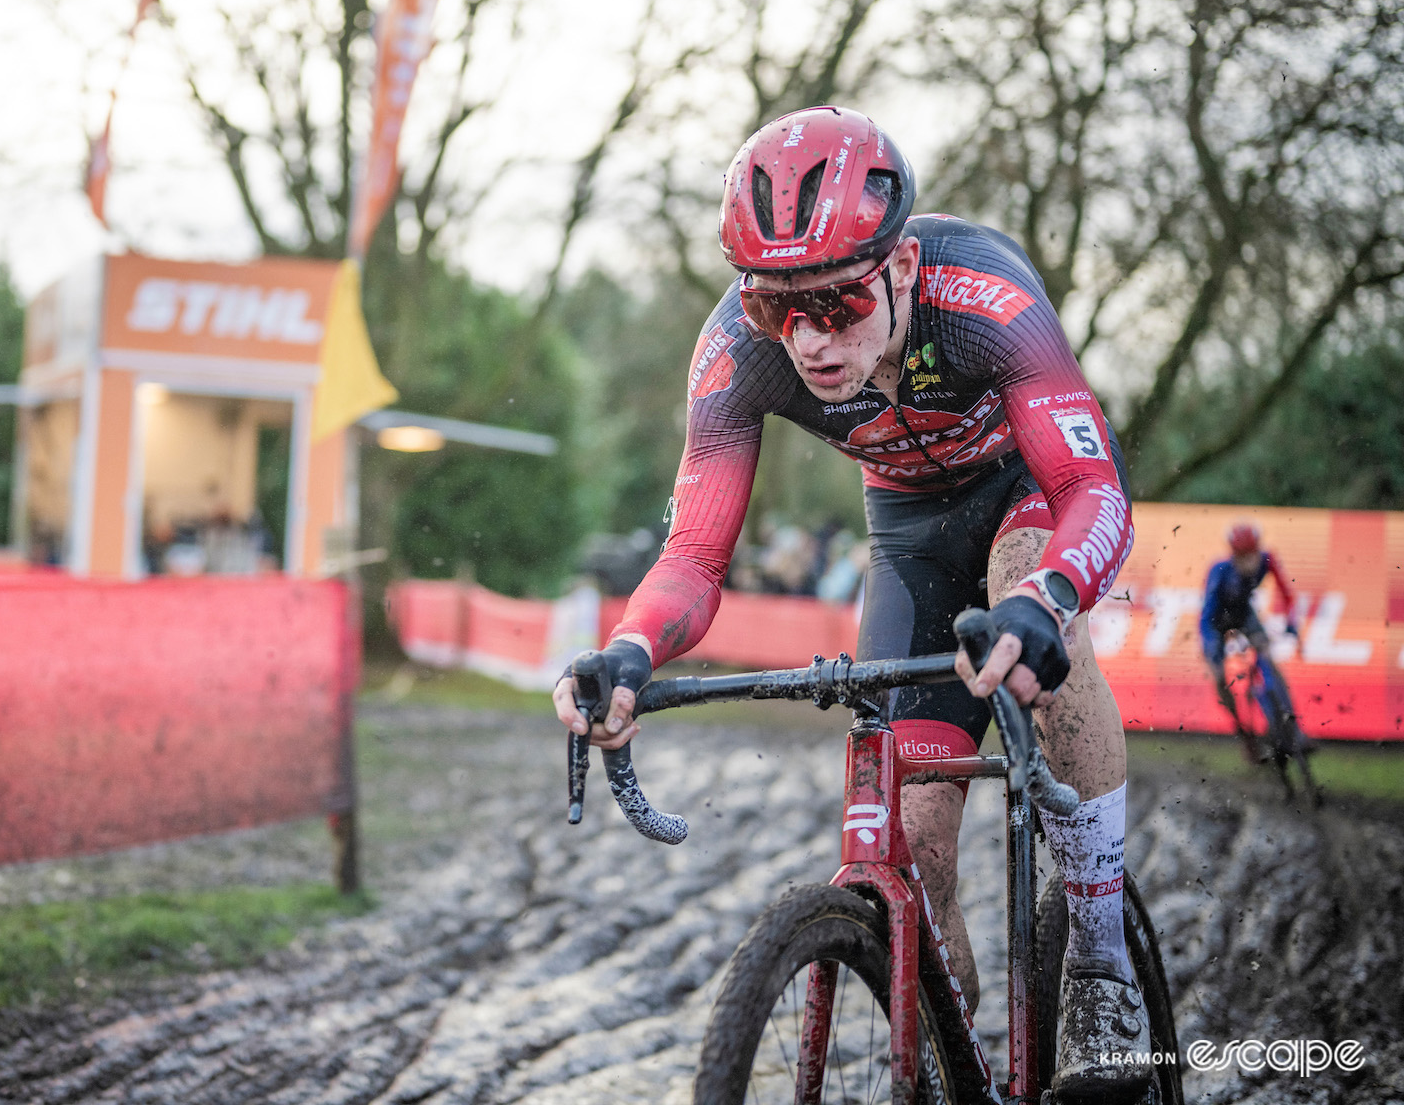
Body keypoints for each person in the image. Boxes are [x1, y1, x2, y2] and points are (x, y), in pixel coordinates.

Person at [552, 107, 1147, 1102]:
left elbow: (1096, 493)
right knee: (913, 839)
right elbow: (697, 552)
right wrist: (628, 650)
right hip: (912, 532)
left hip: (1031, 491)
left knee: (1024, 580)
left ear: (903, 265)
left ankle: (1099, 959)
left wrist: (1049, 601)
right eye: (778, 306)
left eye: (835, 301)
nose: (811, 338)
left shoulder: (982, 298)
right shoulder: (739, 354)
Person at [1198, 522, 1297, 762]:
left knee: (1268, 656)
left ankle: (1292, 726)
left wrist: (1292, 624)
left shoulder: (1267, 561)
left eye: (1252, 555)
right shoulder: (1220, 571)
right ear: (1233, 555)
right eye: (1243, 557)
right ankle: (1244, 733)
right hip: (1216, 620)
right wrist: (1212, 652)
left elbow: (1287, 595)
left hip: (1243, 615)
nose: (1249, 563)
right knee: (1221, 678)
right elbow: (1206, 616)